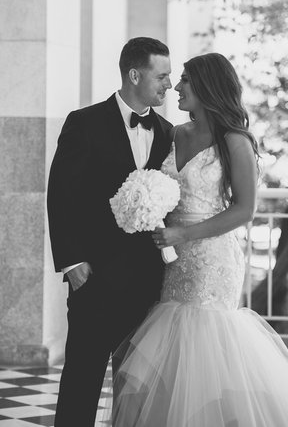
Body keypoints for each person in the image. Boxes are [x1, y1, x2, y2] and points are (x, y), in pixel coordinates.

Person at [108, 53, 288, 426]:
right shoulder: (174, 133)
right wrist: (145, 210)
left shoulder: (235, 141)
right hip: (171, 255)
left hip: (211, 257)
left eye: (185, 81)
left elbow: (244, 210)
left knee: (204, 342)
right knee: (171, 348)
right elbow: (159, 186)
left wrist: (184, 233)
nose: (176, 88)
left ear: (208, 86)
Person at [47, 37, 173, 427]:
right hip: (94, 277)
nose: (168, 84)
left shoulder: (168, 132)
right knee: (82, 376)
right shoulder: (83, 122)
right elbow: (61, 195)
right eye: (162, 75)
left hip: (147, 280)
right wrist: (72, 263)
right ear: (135, 74)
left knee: (135, 381)